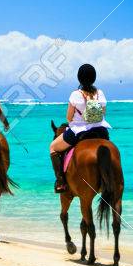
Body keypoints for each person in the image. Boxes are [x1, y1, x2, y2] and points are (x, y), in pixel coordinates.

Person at [50, 63, 110, 192]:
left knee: (53, 147)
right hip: (101, 131)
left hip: (80, 131)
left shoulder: (75, 94)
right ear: (94, 77)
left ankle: (61, 182)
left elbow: (68, 118)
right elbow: (103, 113)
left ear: (79, 78)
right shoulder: (100, 93)